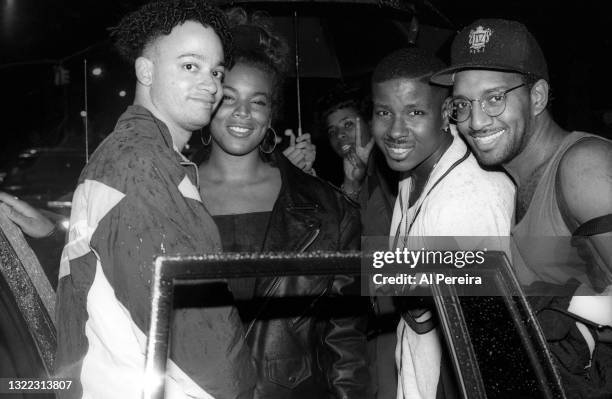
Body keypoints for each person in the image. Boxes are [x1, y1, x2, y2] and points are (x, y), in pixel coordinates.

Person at [54, 1, 256, 398]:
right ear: (145, 71)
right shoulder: (141, 166)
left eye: (216, 71)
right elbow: (201, 342)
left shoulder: (143, 157)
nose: (211, 83)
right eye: (189, 66)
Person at [431, 18, 612, 397]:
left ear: (538, 97)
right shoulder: (510, 182)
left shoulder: (583, 167)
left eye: (495, 98)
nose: (476, 121)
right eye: (463, 104)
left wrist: (559, 307)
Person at [197, 9, 371, 399]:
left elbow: (345, 343)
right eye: (228, 99)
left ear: (271, 112)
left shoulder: (327, 208)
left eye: (257, 102)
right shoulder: (173, 195)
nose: (242, 113)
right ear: (208, 103)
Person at [370, 47, 515, 399]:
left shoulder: (466, 198)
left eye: (415, 112)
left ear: (446, 113)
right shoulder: (411, 171)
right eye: (383, 112)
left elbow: (488, 346)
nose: (396, 130)